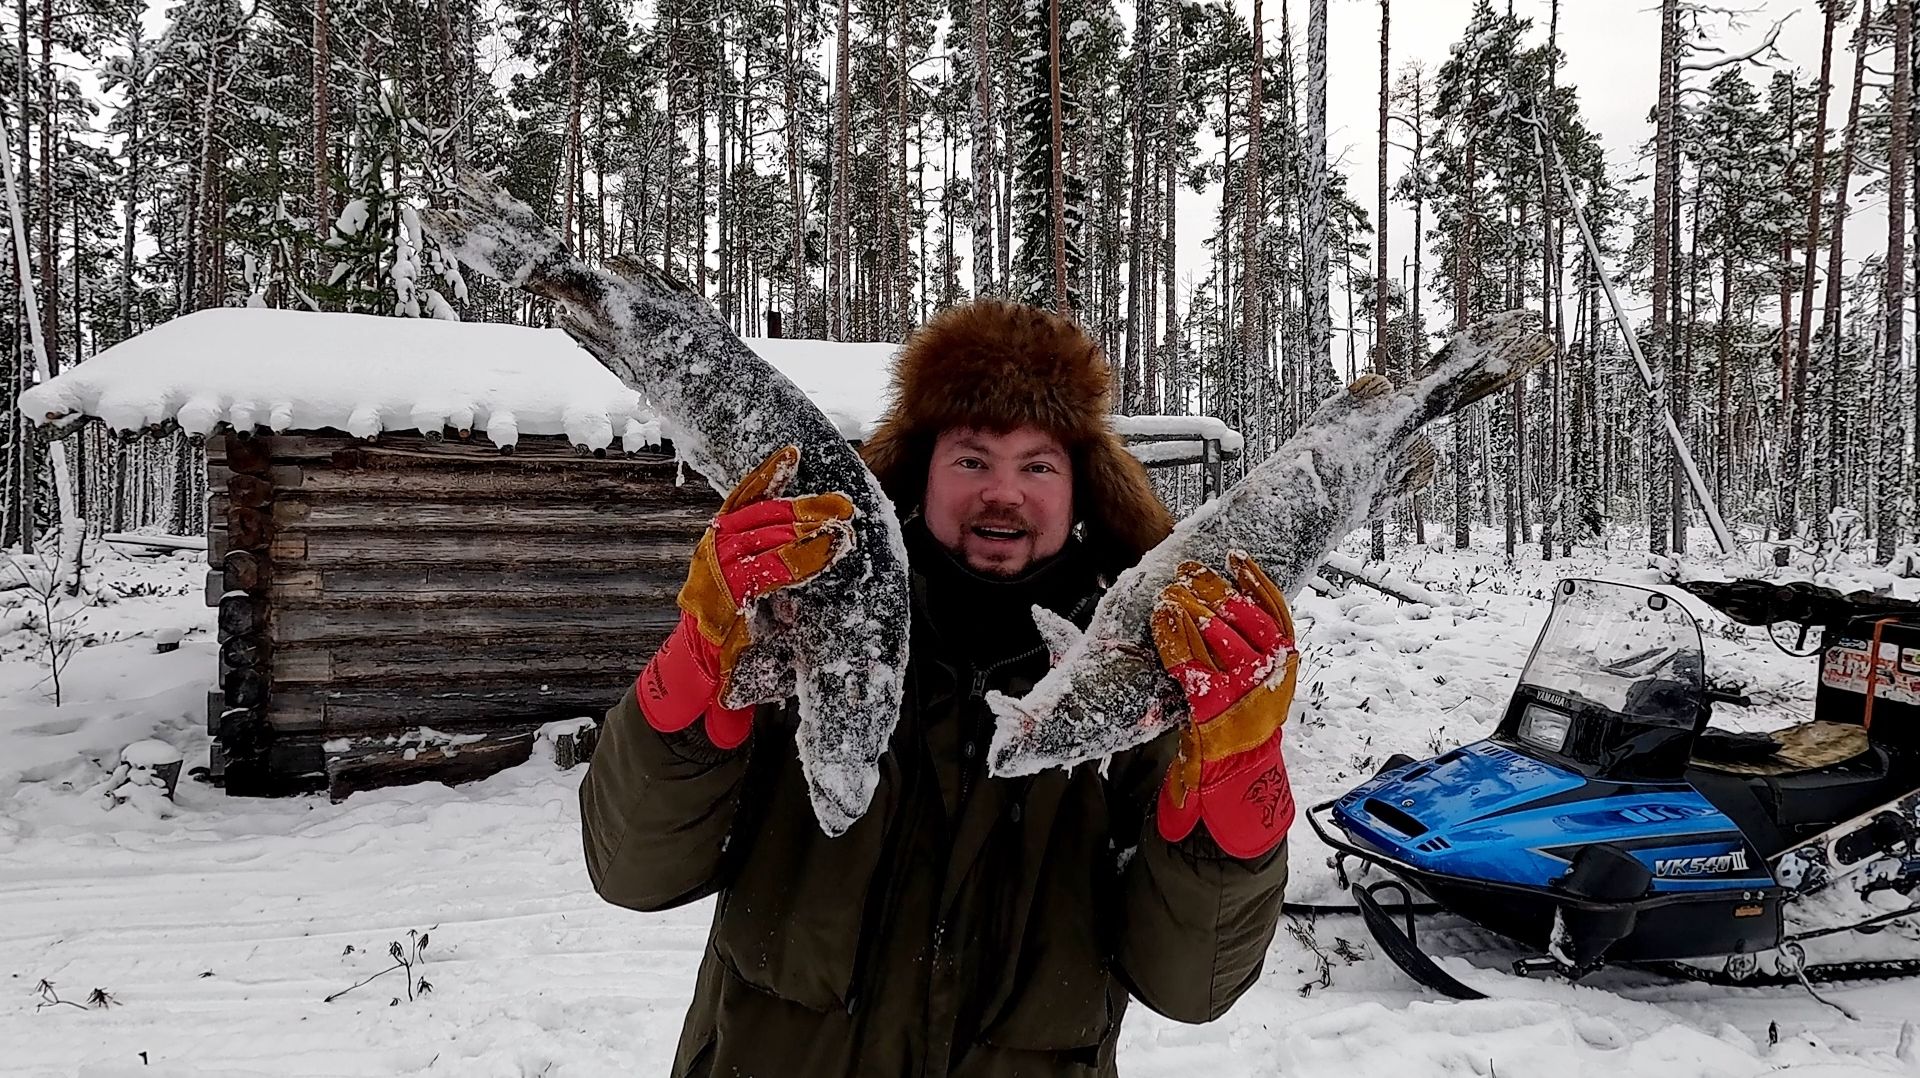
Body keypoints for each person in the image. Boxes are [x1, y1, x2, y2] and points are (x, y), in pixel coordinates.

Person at [580, 299, 1296, 1077]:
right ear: (921, 472)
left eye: (1038, 465)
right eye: (972, 459)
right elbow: (633, 872)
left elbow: (1191, 985)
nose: (1004, 493)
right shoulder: (799, 623)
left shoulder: (1136, 685)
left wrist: (1242, 787)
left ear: (1083, 487)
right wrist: (693, 671)